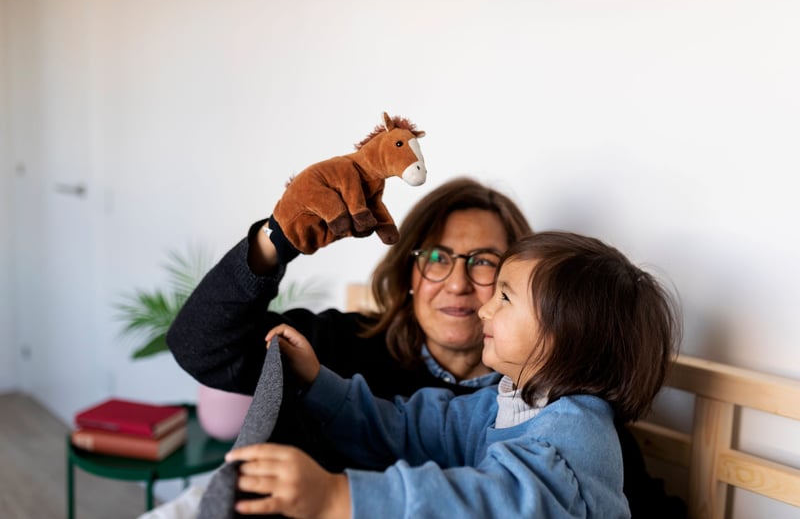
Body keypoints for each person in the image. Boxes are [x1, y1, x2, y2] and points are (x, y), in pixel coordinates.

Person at [167, 177, 685, 516]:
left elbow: (489, 503)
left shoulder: (576, 436)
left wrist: (340, 497)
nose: (464, 288)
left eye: (490, 270)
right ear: (410, 274)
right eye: (438, 256)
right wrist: (316, 380)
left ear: (564, 335)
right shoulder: (500, 399)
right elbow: (410, 426)